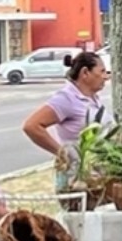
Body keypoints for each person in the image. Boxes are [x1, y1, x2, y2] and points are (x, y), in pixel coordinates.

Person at [22, 51, 108, 194]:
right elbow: (31, 126)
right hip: (77, 180)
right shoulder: (66, 99)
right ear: (85, 73)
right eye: (102, 71)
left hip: (98, 177)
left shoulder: (93, 98)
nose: (105, 77)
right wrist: (63, 153)